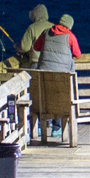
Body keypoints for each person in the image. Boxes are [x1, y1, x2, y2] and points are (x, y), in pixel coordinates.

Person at [31, 10, 81, 143]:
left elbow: (36, 47)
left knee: (44, 96)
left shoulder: (46, 32)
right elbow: (77, 54)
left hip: (44, 75)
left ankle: (40, 126)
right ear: (69, 26)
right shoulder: (70, 37)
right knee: (60, 96)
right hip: (61, 77)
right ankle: (57, 128)